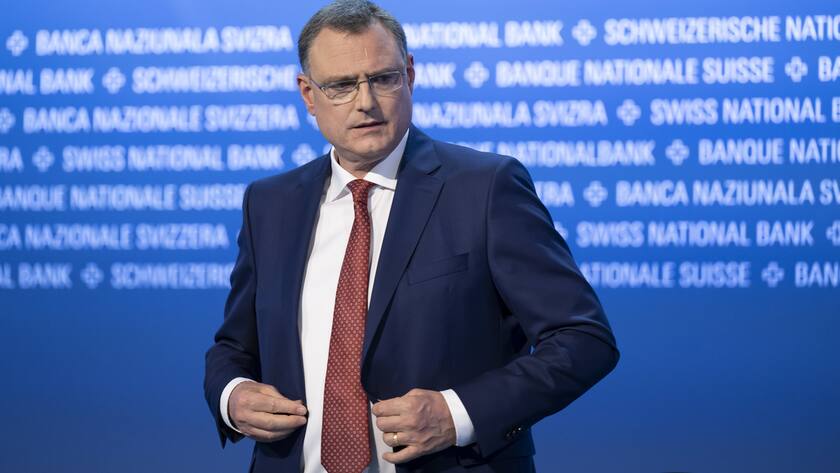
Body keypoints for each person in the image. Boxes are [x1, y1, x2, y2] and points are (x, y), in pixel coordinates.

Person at [203, 1, 618, 472]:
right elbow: (234, 348)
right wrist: (232, 397)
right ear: (308, 94)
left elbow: (583, 338)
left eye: (383, 78)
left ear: (411, 74)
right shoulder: (270, 203)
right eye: (341, 86)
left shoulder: (484, 188)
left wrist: (457, 413)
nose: (366, 102)